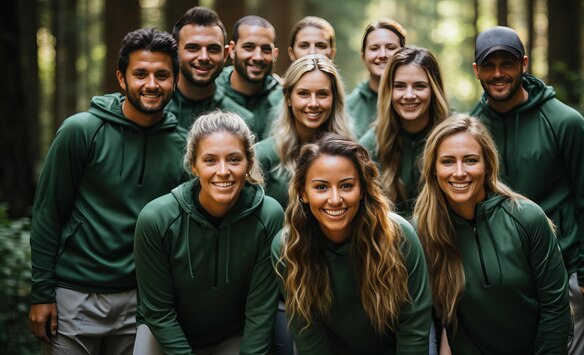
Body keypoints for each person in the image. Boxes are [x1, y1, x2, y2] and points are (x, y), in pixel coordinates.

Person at [28, 28, 187, 354]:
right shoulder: (82, 130)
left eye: (162, 75)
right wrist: (41, 293)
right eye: (140, 74)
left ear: (176, 80)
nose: (152, 84)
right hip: (74, 296)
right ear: (121, 77)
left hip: (142, 302)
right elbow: (48, 212)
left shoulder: (184, 145)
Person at [470, 26, 584, 355]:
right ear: (476, 71)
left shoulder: (565, 122)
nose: (498, 73)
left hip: (564, 269)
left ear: (524, 64)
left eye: (508, 63)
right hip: (504, 283)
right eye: (489, 65)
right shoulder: (470, 129)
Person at [414, 113, 571, 354]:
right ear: (433, 169)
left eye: (470, 160)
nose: (459, 172)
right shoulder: (423, 232)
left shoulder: (527, 217)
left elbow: (555, 308)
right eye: (447, 161)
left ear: (487, 165)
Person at [133, 110, 284, 355]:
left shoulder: (269, 216)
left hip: (231, 336)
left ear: (249, 163)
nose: (223, 171)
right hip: (165, 334)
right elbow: (158, 312)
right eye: (210, 160)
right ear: (194, 165)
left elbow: (260, 311)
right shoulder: (156, 219)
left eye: (234, 159)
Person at [272, 133, 432, 354]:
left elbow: (413, 327)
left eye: (347, 186)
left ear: (363, 189)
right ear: (303, 193)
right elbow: (308, 335)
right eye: (321, 187)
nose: (335, 199)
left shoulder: (399, 235)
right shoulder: (288, 247)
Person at [359, 46, 450, 219]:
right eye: (400, 86)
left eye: (419, 86)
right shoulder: (370, 145)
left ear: (434, 90)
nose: (409, 95)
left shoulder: (453, 139)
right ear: (388, 91)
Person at [255, 54, 353, 208]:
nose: (313, 103)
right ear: (288, 97)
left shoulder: (349, 153)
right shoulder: (263, 155)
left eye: (322, 94)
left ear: (334, 98)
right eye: (303, 94)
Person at [168, 6, 252, 130]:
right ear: (175, 53)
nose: (204, 57)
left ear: (225, 54)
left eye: (213, 49)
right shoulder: (155, 110)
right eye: (193, 48)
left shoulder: (241, 120)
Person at [216, 15, 283, 141]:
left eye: (266, 49)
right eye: (249, 47)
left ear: (275, 54)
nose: (258, 57)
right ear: (232, 50)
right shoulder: (211, 91)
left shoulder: (284, 97)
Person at [347, 18, 407, 138]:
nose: (382, 55)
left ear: (404, 53)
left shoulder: (417, 99)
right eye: (374, 48)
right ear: (363, 56)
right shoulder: (348, 107)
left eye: (390, 48)